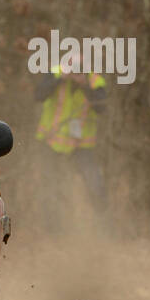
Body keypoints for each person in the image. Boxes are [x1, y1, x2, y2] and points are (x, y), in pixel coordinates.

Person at [34, 44, 108, 221]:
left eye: (81, 67)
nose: (76, 71)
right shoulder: (56, 73)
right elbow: (39, 95)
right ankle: (52, 227)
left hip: (82, 145)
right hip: (52, 140)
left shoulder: (95, 81)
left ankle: (104, 223)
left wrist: (85, 85)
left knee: (94, 184)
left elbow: (101, 108)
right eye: (73, 65)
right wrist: (61, 78)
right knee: (50, 185)